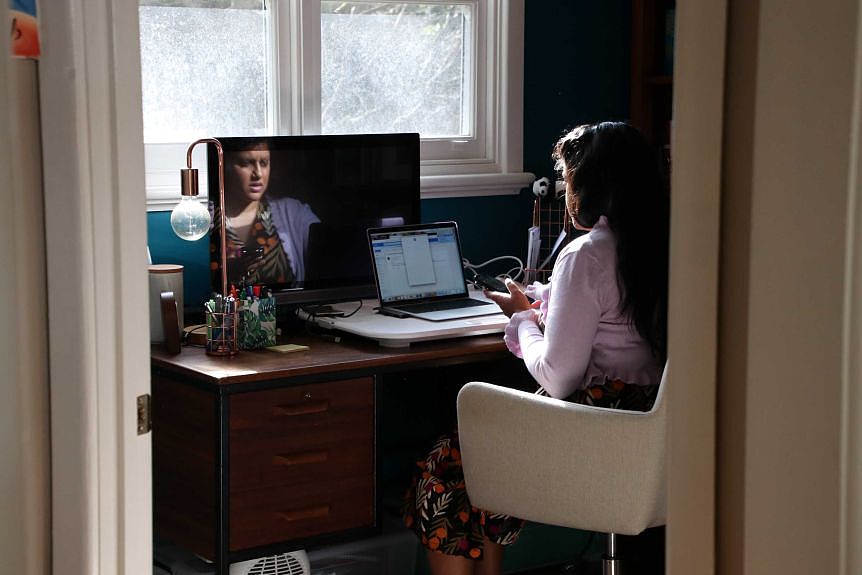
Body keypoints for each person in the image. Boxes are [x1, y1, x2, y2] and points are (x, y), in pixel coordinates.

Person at [402, 121, 669, 575]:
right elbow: (616, 318)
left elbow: (559, 377)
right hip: (652, 441)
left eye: (569, 181)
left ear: (589, 187)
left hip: (594, 436)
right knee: (475, 461)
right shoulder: (665, 245)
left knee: (445, 466)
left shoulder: (584, 255)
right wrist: (549, 300)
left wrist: (523, 319)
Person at [212, 138, 320, 289]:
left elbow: (331, 256)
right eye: (246, 163)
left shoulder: (294, 213)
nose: (258, 174)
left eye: (264, 163)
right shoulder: (206, 219)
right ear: (224, 166)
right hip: (227, 312)